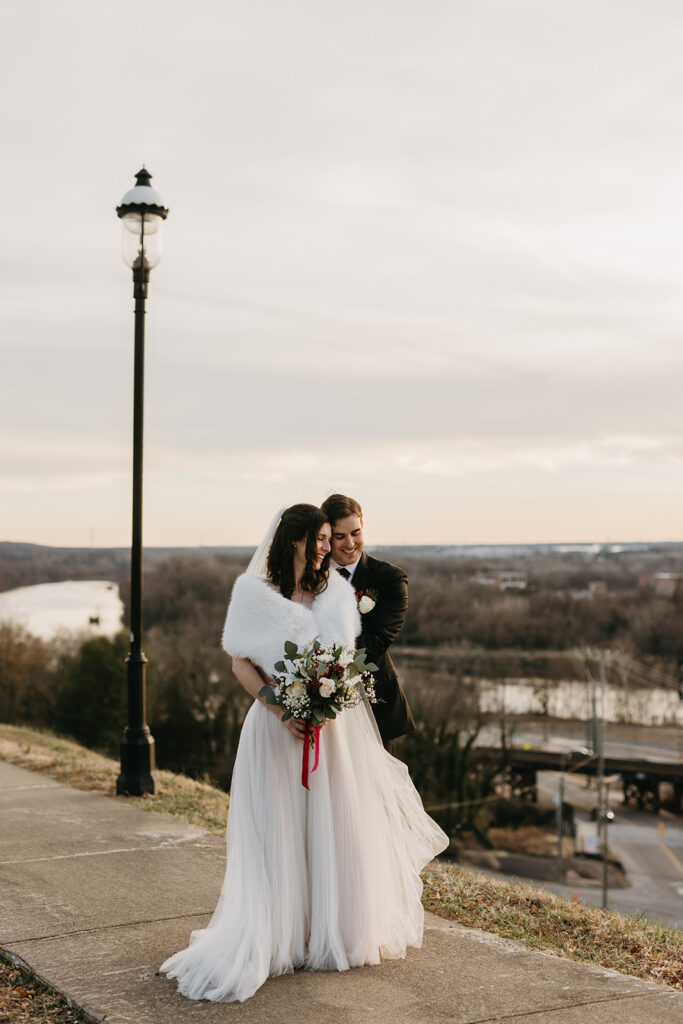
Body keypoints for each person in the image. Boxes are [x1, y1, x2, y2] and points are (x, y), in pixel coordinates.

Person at [160, 504, 448, 1004]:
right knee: (280, 829)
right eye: (318, 538)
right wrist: (280, 706)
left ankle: (327, 929)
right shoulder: (254, 592)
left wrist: (324, 701)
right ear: (293, 539)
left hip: (332, 732)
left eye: (329, 538)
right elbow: (240, 663)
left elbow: (347, 658)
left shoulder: (335, 591)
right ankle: (279, 932)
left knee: (330, 826)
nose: (327, 547)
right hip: (274, 731)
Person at [321, 493, 415, 751]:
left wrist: (319, 661)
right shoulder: (309, 576)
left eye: (356, 532)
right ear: (327, 536)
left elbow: (378, 639)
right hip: (315, 701)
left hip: (372, 704)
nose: (350, 543)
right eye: (340, 536)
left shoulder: (390, 578)